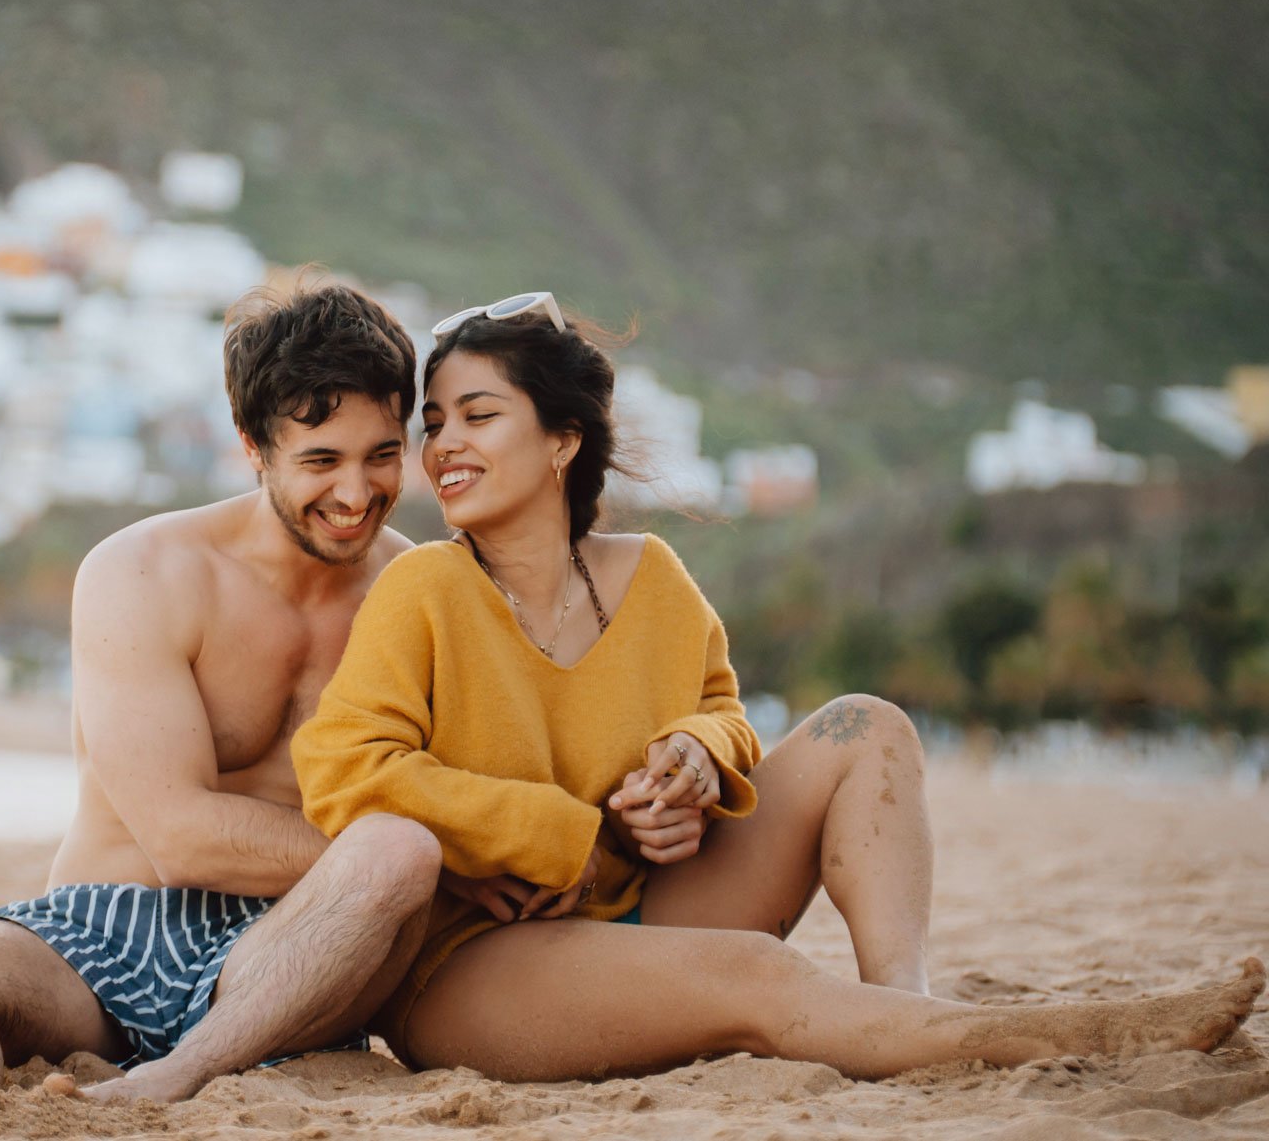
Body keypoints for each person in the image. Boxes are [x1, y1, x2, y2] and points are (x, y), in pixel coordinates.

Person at [292, 292, 1264, 1081]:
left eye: (476, 414)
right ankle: (1055, 1033)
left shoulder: (653, 577)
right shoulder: (421, 585)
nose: (441, 444)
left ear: (560, 440)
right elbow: (341, 769)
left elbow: (720, 711)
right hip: (475, 968)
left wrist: (691, 760)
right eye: (431, 423)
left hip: (650, 905)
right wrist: (563, 833)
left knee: (863, 725)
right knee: (758, 972)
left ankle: (904, 1004)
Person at [0, 282, 449, 1118]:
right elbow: (179, 836)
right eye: (322, 461)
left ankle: (177, 1074)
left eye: (381, 455)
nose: (357, 492)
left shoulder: (418, 591)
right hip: (101, 936)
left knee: (399, 852)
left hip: (288, 950)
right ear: (254, 448)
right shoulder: (143, 570)